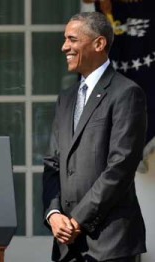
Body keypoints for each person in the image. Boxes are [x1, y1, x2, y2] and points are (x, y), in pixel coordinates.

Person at [43, 12, 147, 262]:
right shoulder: (66, 98)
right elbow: (52, 163)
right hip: (67, 245)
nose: (64, 46)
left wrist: (78, 220)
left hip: (110, 243)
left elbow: (120, 167)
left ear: (99, 44)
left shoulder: (126, 93)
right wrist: (54, 213)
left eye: (72, 39)